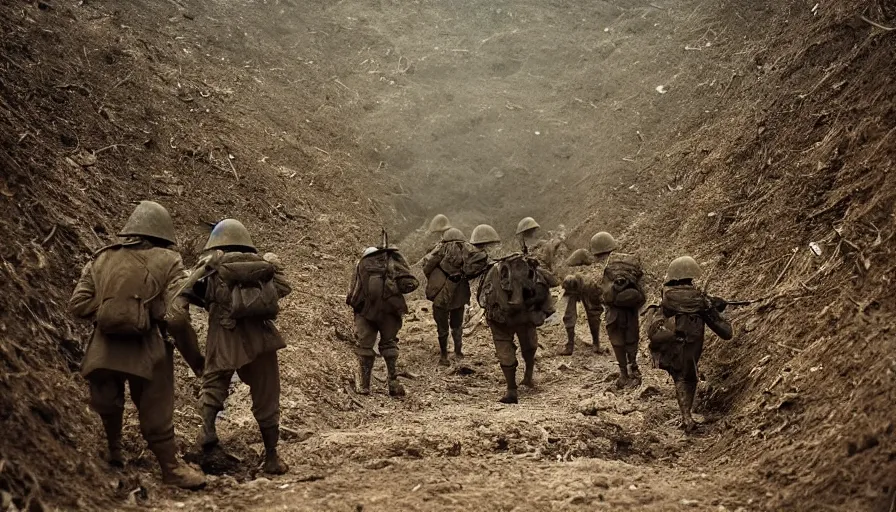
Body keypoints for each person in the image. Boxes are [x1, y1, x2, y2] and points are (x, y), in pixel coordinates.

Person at [69, 200, 206, 489]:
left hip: (103, 347)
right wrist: (195, 361)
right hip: (150, 347)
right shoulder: (169, 261)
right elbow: (177, 318)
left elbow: (77, 304)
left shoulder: (102, 258)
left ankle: (114, 451)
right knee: (156, 408)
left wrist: (111, 305)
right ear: (164, 233)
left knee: (107, 400)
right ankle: (171, 469)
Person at [176, 219, 291, 475]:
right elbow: (283, 289)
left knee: (214, 382)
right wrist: (274, 266)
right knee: (267, 395)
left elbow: (190, 293)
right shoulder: (261, 267)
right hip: (262, 339)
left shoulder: (212, 268)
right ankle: (272, 456)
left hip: (223, 335)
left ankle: (207, 432)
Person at [646, 256, 733, 432]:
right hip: (693, 345)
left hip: (674, 344)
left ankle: (686, 416)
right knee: (690, 376)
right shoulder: (700, 299)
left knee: (680, 377)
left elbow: (659, 319)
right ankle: (687, 417)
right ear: (691, 276)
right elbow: (724, 330)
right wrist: (717, 306)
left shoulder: (668, 297)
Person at [478, 253, 557, 403]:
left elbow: (484, 297)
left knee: (504, 348)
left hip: (500, 318)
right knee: (529, 344)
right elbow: (553, 282)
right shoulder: (533, 271)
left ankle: (511, 389)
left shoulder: (493, 271)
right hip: (525, 316)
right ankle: (528, 376)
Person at [347, 244, 419, 396]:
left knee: (365, 345)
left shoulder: (362, 264)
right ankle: (393, 382)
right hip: (390, 310)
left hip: (366, 311)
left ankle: (365, 386)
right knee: (389, 343)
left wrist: (356, 307)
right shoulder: (391, 262)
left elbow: (354, 291)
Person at [422, 228, 488, 364]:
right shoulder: (468, 252)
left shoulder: (439, 251)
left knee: (442, 327)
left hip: (440, 294)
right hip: (459, 293)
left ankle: (444, 356)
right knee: (457, 325)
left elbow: (426, 269)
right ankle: (458, 352)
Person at [594, 232, 646, 388]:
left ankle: (624, 374)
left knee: (617, 342)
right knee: (632, 339)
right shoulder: (629, 262)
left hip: (614, 312)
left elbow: (601, 292)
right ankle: (634, 369)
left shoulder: (606, 267)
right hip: (630, 310)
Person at [558, 248, 604, 356]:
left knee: (592, 315)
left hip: (588, 287)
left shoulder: (589, 280)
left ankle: (595, 344)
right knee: (570, 315)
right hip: (575, 284)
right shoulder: (569, 270)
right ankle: (573, 346)